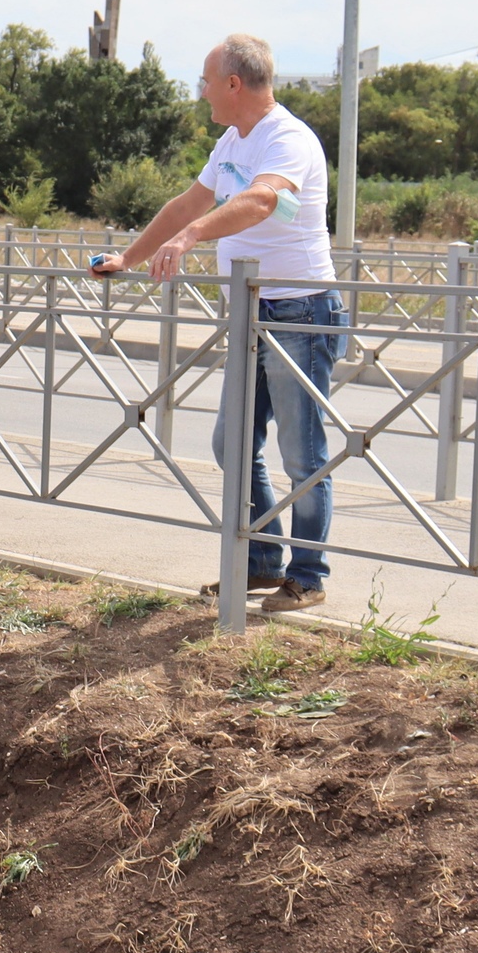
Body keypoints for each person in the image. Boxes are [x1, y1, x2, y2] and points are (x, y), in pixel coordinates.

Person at [91, 34, 339, 612]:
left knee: (303, 453)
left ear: (233, 83)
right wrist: (128, 256)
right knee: (233, 443)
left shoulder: (288, 139)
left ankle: (309, 575)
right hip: (253, 312)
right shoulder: (231, 139)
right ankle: (260, 562)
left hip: (300, 309)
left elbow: (261, 201)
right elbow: (188, 203)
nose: (200, 90)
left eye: (206, 80)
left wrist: (195, 236)